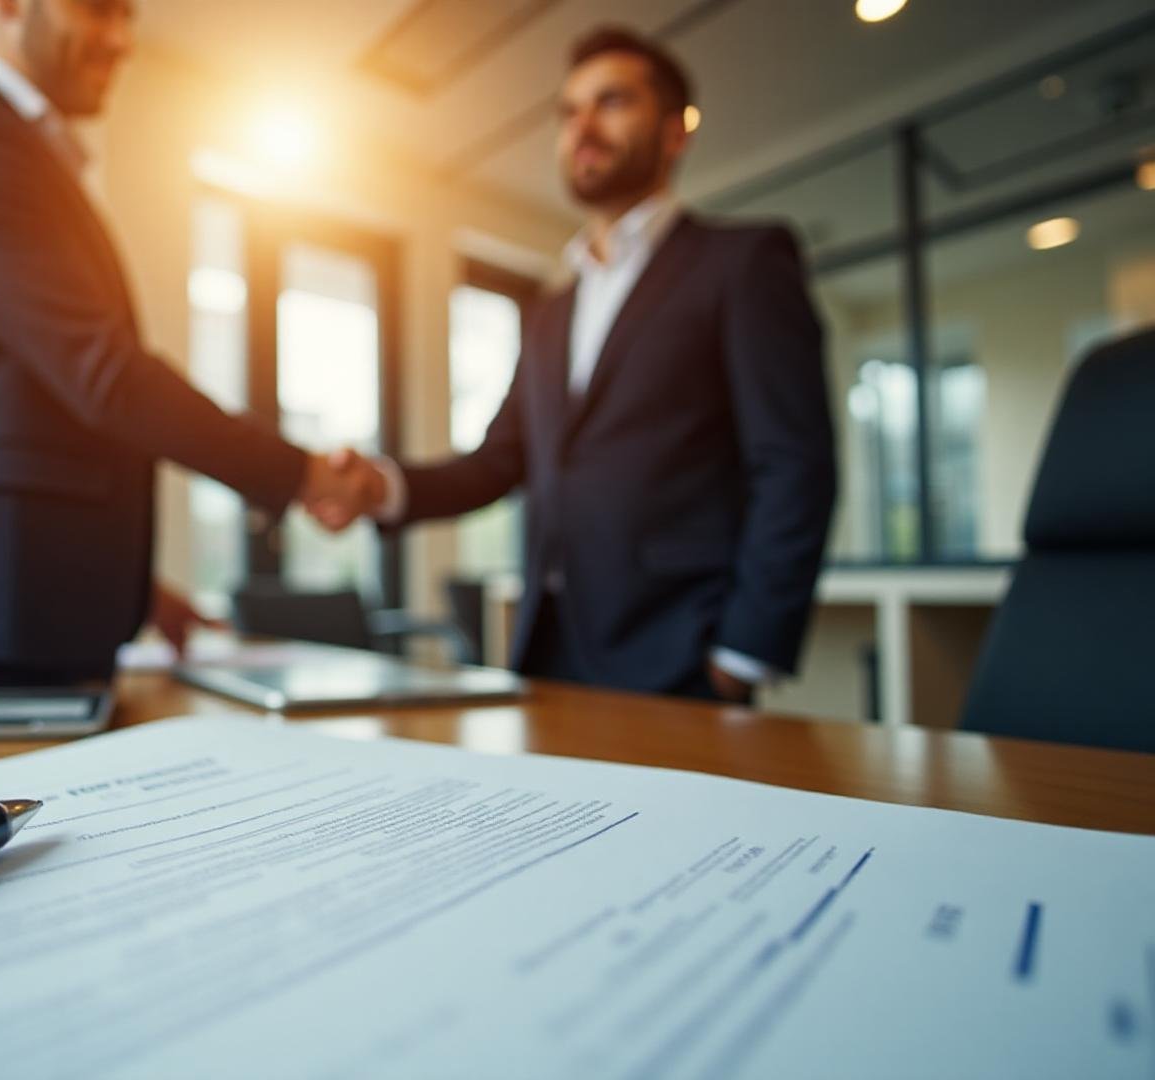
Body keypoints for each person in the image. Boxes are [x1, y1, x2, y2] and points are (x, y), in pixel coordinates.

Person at [325, 26, 836, 703]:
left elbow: (795, 464)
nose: (582, 126)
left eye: (612, 101)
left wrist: (743, 652)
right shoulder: (550, 310)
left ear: (676, 131)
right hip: (548, 649)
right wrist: (383, 486)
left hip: (680, 649)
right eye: (568, 112)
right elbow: (500, 461)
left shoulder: (742, 263)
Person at [0, 0, 369, 688]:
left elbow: (38, 409)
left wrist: (136, 588)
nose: (124, 40)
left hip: (30, 611)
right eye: (100, 9)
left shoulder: (21, 151)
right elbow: (103, 375)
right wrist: (301, 472)